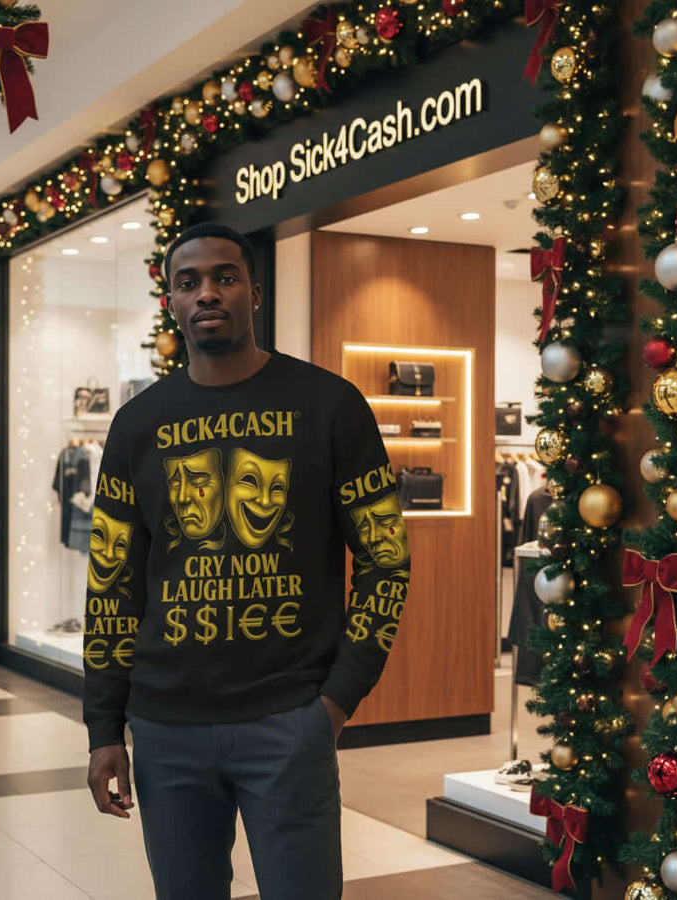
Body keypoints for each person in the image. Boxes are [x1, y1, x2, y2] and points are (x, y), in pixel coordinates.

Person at [83, 223, 410, 900]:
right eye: (188, 282)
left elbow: (386, 560)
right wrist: (103, 728)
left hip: (290, 720)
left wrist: (336, 700)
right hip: (166, 727)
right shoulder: (138, 425)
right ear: (171, 302)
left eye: (225, 277)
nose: (207, 293)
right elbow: (112, 583)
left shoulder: (330, 406)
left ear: (255, 293)